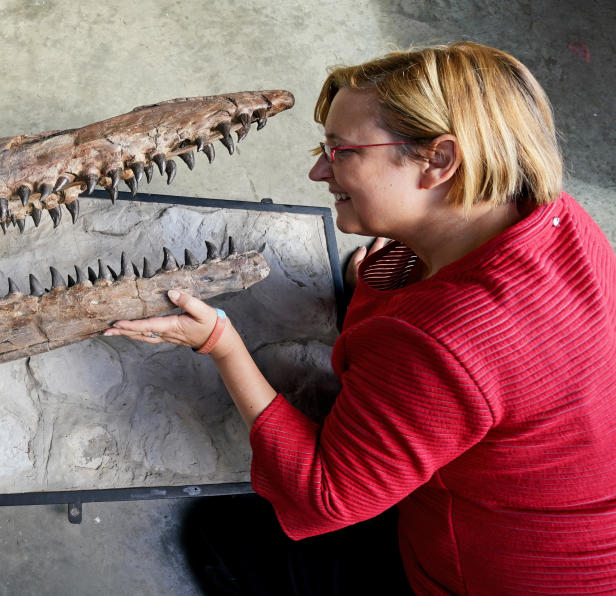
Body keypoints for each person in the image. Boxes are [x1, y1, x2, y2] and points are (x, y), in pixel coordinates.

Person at [104, 41, 616, 594]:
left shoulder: (441, 342)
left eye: (343, 151)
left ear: (439, 160)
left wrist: (223, 346)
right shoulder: (556, 213)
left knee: (224, 530)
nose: (317, 171)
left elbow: (324, 496)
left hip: (495, 574)